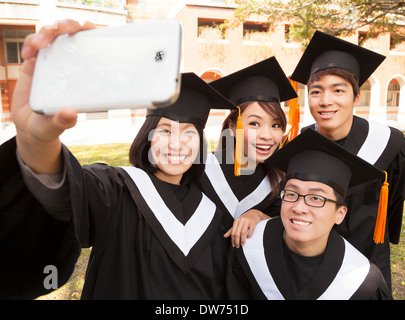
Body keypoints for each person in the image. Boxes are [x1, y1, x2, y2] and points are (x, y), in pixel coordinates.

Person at [0, 20, 237, 299]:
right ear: (147, 136)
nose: (177, 143)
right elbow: (67, 192)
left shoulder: (213, 213)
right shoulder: (116, 189)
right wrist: (37, 142)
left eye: (189, 133)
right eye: (164, 130)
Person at [289, 30, 405, 289]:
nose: (325, 101)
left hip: (367, 264)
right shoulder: (298, 145)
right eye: (316, 91)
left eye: (338, 90)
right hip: (308, 267)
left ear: (356, 97)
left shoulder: (389, 144)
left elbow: (394, 199)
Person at [226, 128, 392, 300]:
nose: (299, 207)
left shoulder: (362, 282)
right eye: (291, 194)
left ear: (340, 214)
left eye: (316, 198)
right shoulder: (249, 251)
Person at [200, 57, 297, 248]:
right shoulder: (201, 171)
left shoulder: (279, 181)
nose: (267, 135)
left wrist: (259, 216)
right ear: (232, 126)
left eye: (276, 125)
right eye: (254, 123)